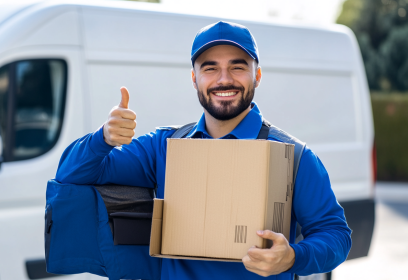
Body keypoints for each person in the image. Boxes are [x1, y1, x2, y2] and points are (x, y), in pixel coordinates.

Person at [55, 21, 351, 280]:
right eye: (210, 68)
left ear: (257, 76)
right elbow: (70, 174)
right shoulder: (164, 147)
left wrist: (293, 257)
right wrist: (103, 138)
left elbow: (337, 235)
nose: (224, 79)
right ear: (194, 78)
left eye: (238, 66)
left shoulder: (293, 157)